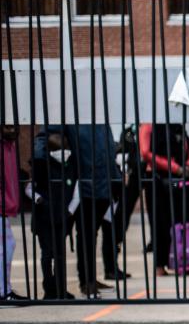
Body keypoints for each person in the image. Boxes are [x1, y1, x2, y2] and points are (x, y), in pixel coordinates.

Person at [139, 123, 189, 276]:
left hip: (180, 179)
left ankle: (184, 261)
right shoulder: (148, 126)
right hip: (158, 180)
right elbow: (145, 152)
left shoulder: (177, 126)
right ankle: (160, 264)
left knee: (182, 220)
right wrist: (173, 167)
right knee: (160, 223)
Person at [70, 124, 118, 299]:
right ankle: (86, 281)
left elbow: (109, 152)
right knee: (86, 235)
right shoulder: (74, 120)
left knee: (93, 234)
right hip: (84, 188)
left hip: (104, 187)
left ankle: (91, 277)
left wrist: (115, 181)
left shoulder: (102, 122)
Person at [29, 129, 77, 300]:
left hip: (61, 217)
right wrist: (39, 199)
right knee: (47, 254)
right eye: (58, 152)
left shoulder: (70, 165)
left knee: (59, 254)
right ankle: (49, 289)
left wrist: (69, 210)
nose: (63, 155)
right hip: (44, 217)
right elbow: (30, 188)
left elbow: (76, 190)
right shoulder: (43, 166)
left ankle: (60, 289)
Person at [101, 125, 144, 282]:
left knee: (118, 232)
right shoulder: (127, 135)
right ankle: (109, 268)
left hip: (126, 194)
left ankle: (113, 267)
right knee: (111, 231)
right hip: (115, 196)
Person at [1, 126, 25, 304]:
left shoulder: (9, 146)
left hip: (5, 206)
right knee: (6, 247)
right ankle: (3, 292)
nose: (12, 129)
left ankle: (5, 290)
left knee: (7, 246)